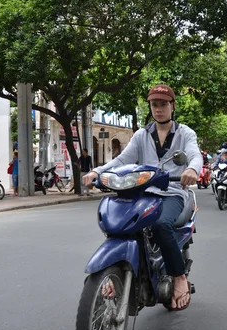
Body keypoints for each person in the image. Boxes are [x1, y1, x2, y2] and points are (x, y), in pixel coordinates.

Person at [82, 84, 202, 311]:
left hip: (172, 193)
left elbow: (194, 155)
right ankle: (116, 268)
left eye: (163, 104)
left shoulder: (185, 133)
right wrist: (97, 171)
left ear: (172, 106)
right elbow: (122, 160)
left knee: (160, 224)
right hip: (144, 193)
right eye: (154, 105)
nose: (158, 109)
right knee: (121, 222)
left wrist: (192, 170)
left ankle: (178, 277)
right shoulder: (141, 135)